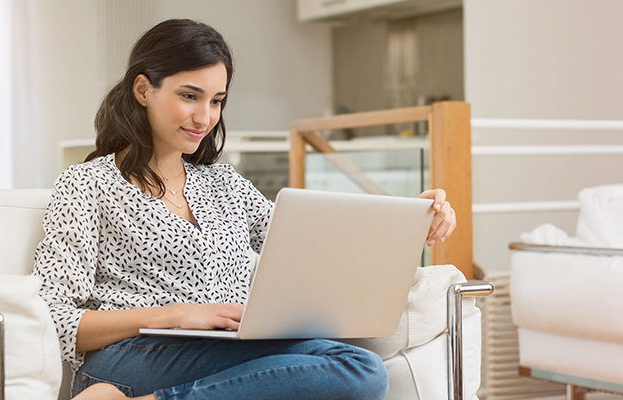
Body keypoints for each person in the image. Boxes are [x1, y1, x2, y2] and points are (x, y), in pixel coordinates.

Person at [32, 19, 457, 400]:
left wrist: (413, 219)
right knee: (356, 372)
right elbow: (57, 316)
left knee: (356, 366)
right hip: (131, 356)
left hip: (230, 349)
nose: (205, 116)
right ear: (143, 90)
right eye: (189, 96)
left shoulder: (225, 184)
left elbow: (316, 242)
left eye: (217, 100)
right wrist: (180, 314)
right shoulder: (87, 184)